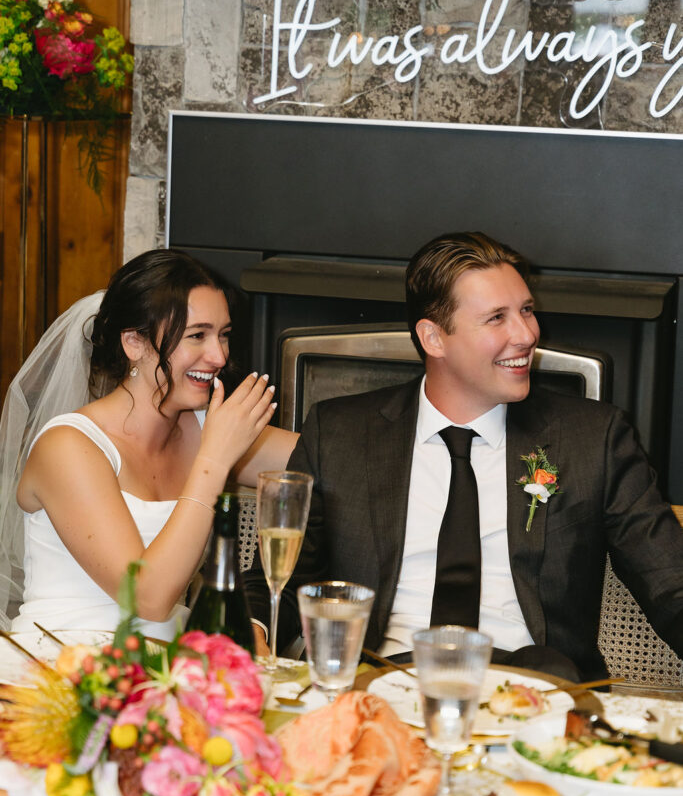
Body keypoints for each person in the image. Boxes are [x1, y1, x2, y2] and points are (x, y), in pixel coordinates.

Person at [244, 232, 683, 680]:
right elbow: (276, 577)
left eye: (527, 311)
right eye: (497, 318)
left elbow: (671, 584)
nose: (527, 334)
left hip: (537, 687)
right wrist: (252, 631)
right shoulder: (339, 433)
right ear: (433, 337)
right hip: (383, 680)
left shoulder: (593, 437)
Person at [0, 249, 298, 638]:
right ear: (134, 344)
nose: (219, 355)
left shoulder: (206, 428)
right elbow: (148, 599)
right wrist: (214, 460)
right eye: (197, 336)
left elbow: (329, 465)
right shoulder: (68, 447)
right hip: (65, 664)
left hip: (166, 660)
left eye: (223, 335)